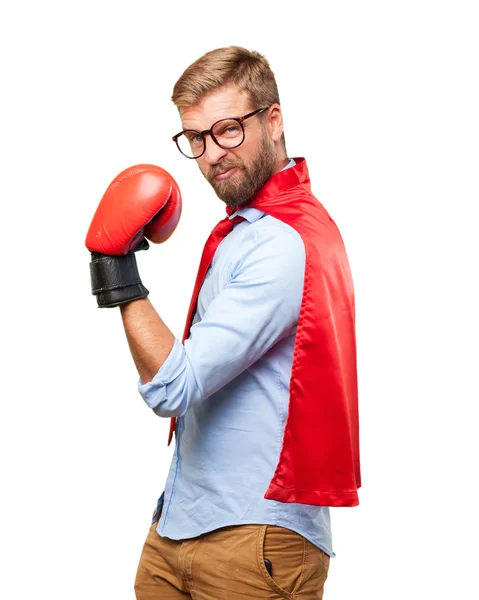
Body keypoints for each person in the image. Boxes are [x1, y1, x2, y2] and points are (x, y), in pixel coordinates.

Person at [86, 46, 360, 599]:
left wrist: (115, 271)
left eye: (229, 129)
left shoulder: (284, 243)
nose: (212, 153)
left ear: (274, 120)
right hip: (180, 524)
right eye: (196, 138)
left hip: (253, 541)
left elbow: (174, 385)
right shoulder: (251, 232)